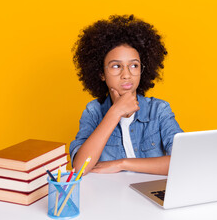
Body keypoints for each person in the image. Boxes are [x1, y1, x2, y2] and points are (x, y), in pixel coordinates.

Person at [69, 14, 183, 176]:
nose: (126, 74)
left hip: (150, 194)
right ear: (101, 73)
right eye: (116, 66)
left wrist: (122, 164)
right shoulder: (93, 111)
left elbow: (183, 161)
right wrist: (115, 112)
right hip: (112, 196)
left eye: (134, 65)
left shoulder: (159, 110)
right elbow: (79, 169)